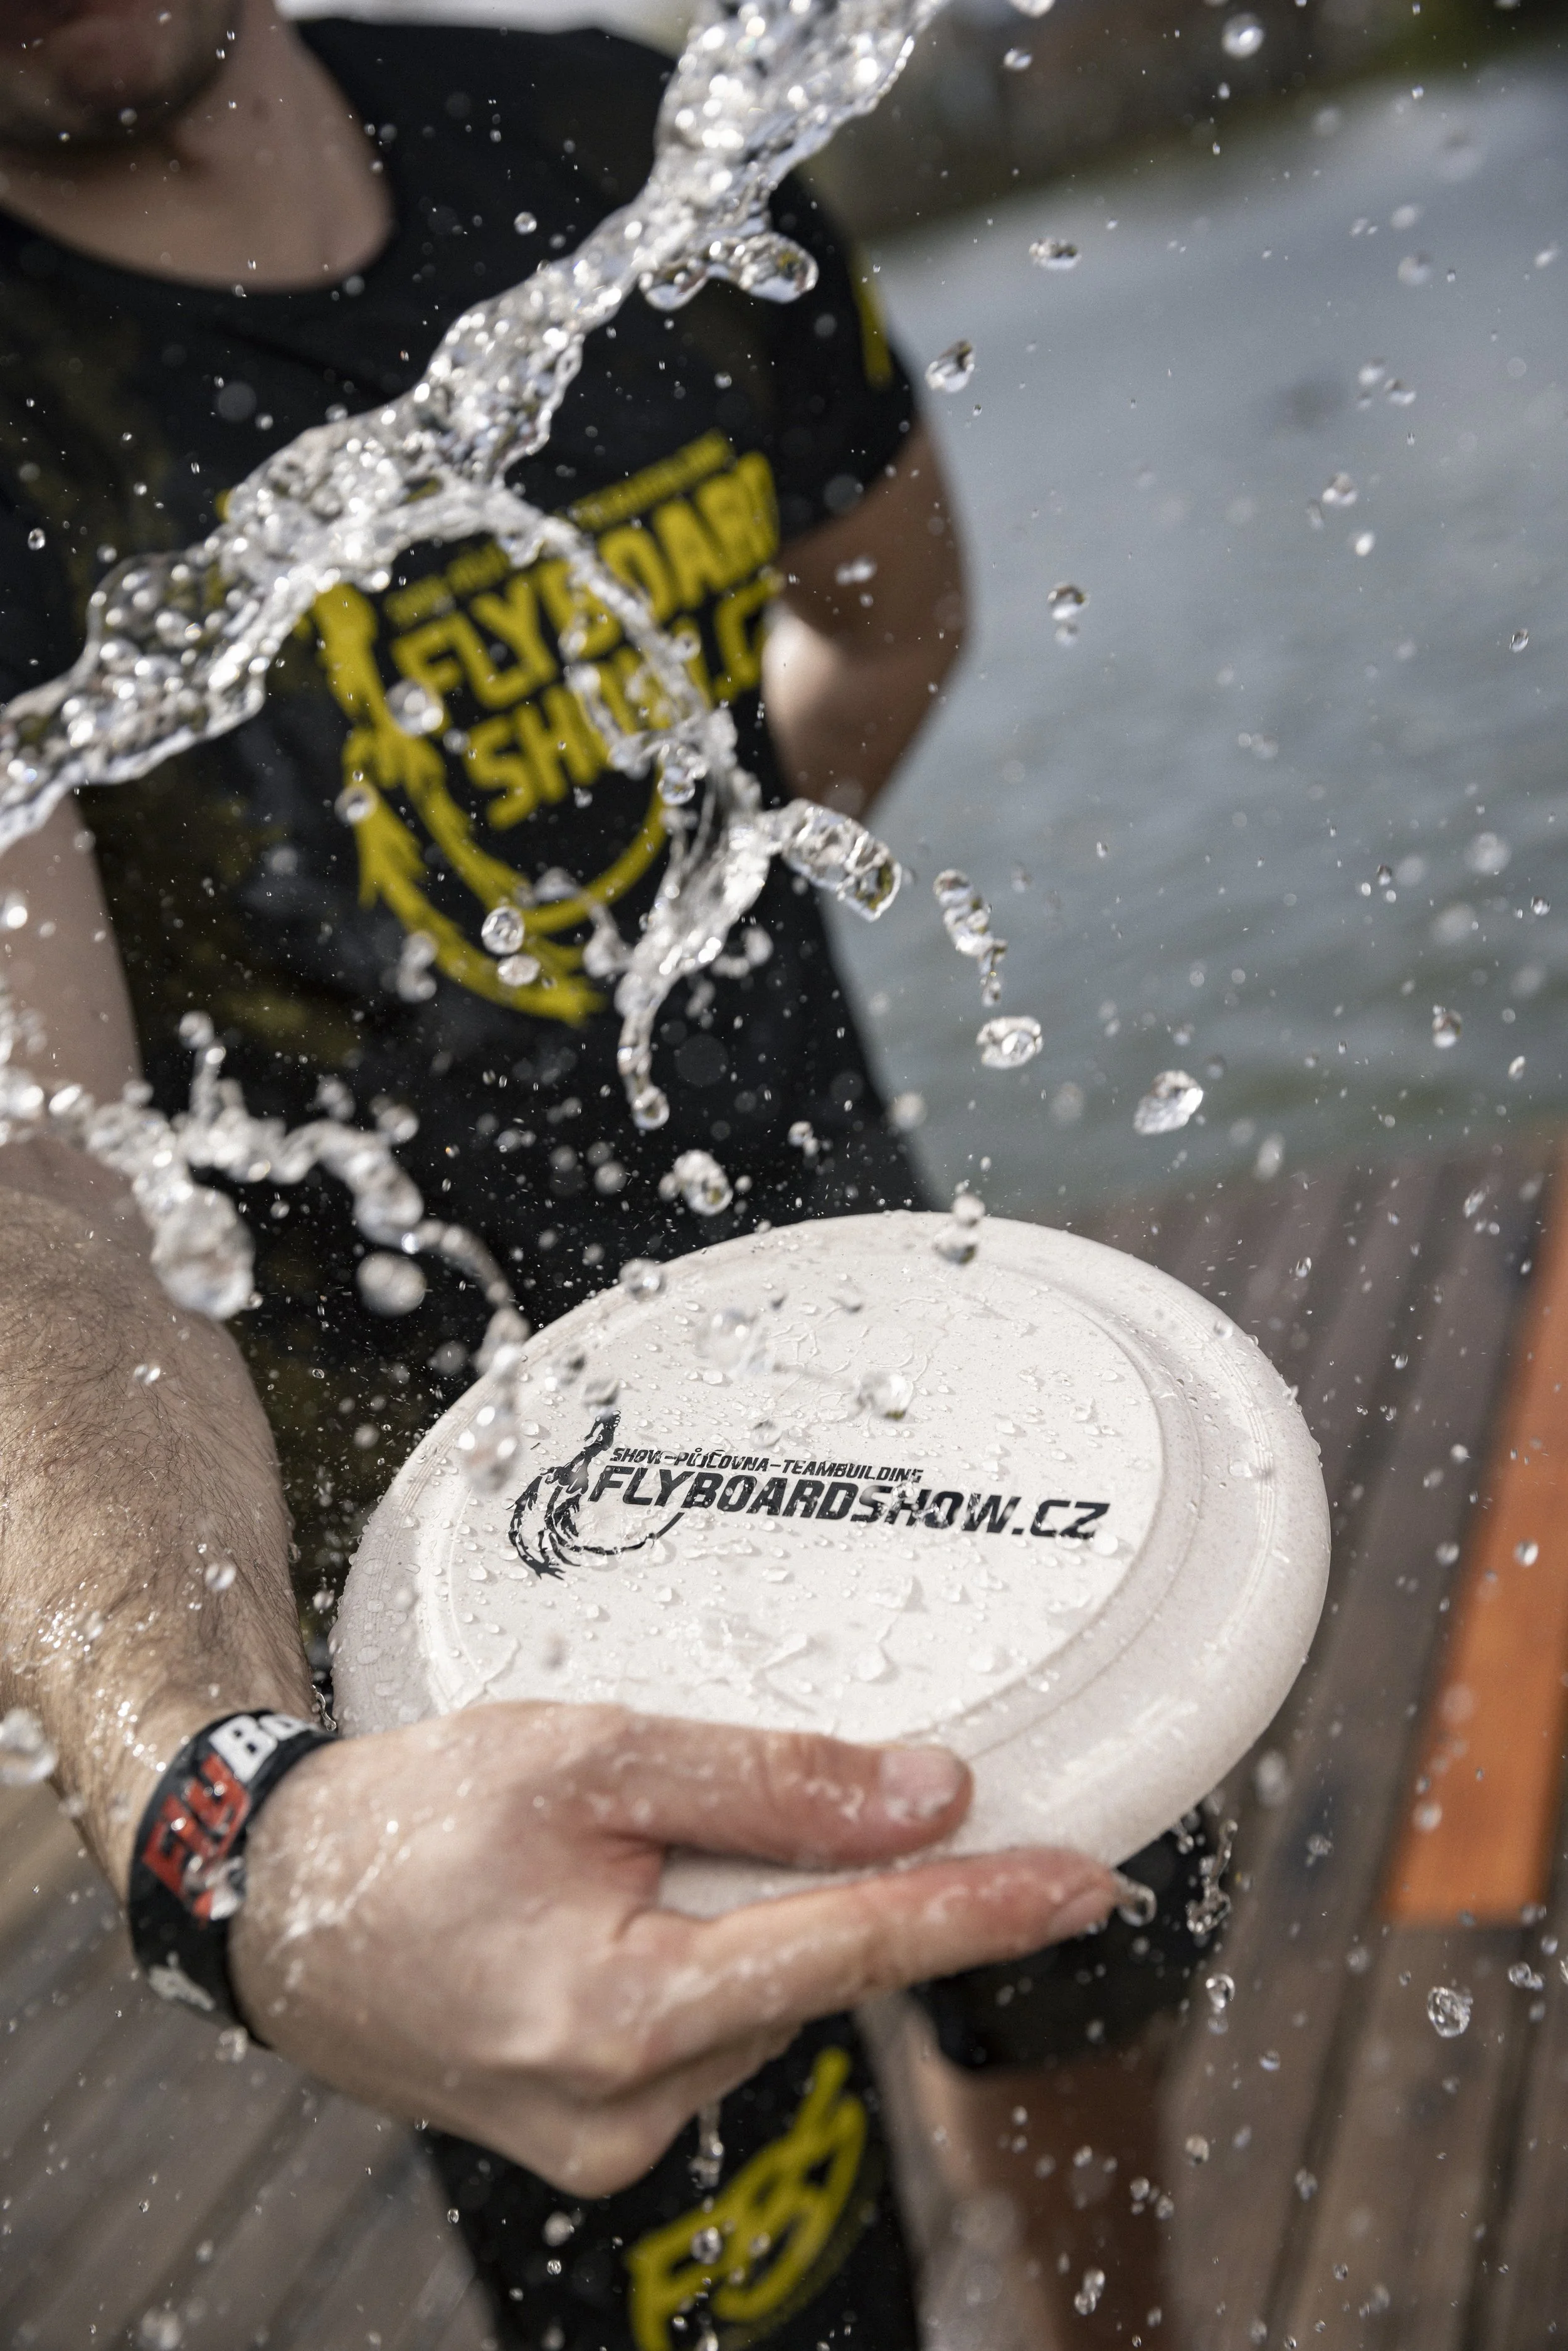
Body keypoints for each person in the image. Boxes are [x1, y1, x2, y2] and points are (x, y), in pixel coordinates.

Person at [0, 4, 1214, 2344]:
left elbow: (887, 609)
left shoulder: (619, 143)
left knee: (1078, 2013)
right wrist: (225, 1813)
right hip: (458, 1601)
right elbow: (36, 1186)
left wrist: (688, 956)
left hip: (891, 1380)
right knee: (736, 2282)